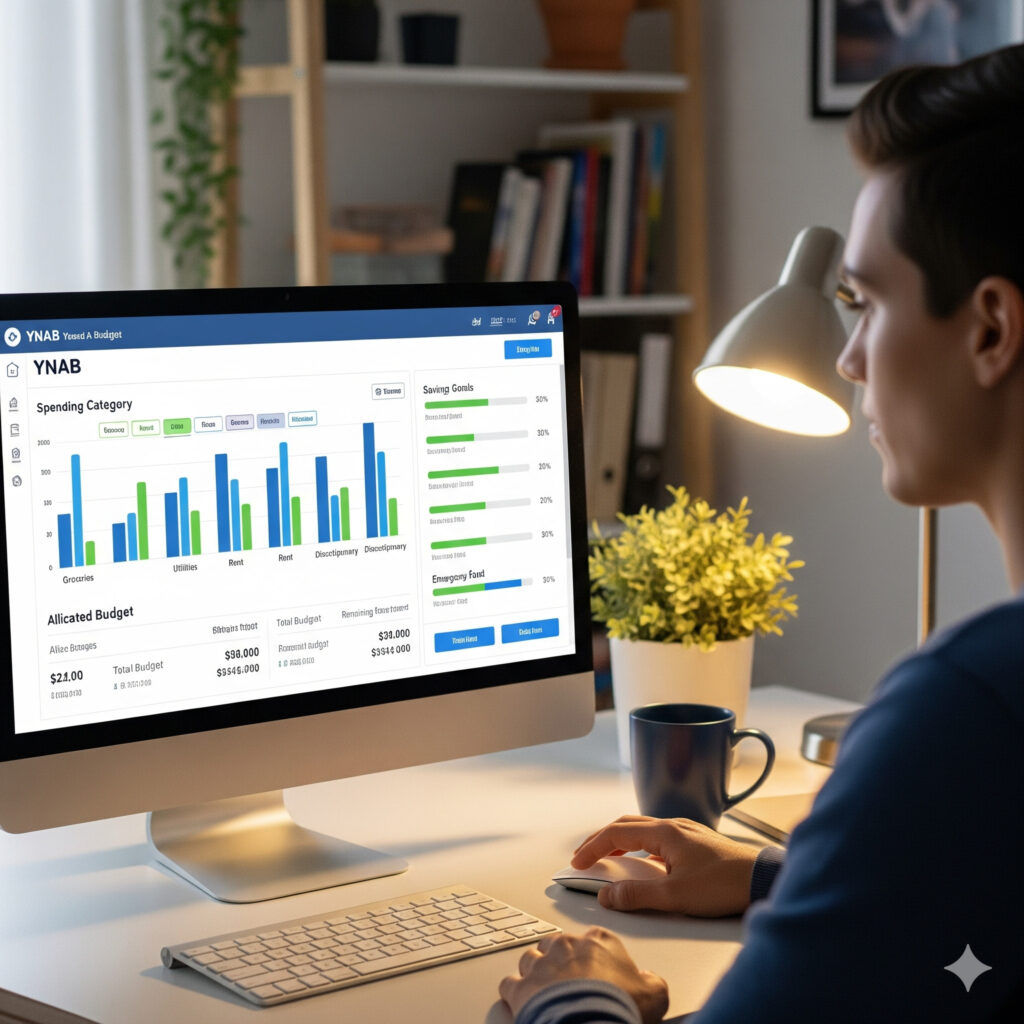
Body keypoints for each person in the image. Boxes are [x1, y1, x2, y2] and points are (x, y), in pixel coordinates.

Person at [499, 41, 1024, 1024]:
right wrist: (776, 881)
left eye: (863, 304)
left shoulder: (969, 713)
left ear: (990, 329)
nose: (852, 359)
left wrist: (572, 997)